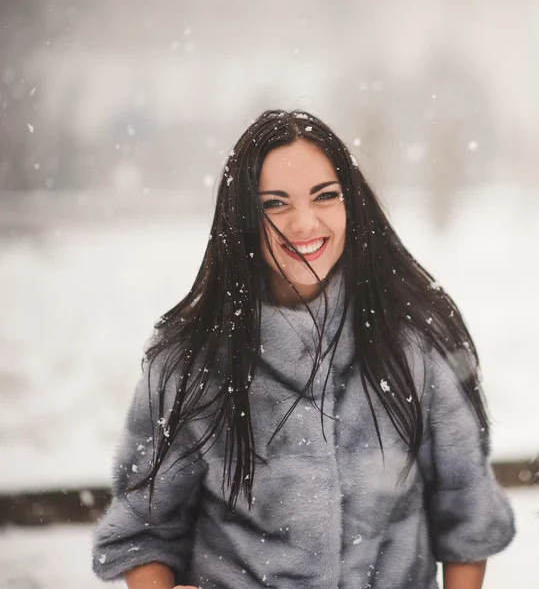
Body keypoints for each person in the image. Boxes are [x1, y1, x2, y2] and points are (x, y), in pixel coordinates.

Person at [91, 109, 515, 589]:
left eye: (325, 196)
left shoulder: (411, 340)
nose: (304, 222)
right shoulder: (191, 360)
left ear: (350, 203)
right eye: (275, 203)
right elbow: (144, 530)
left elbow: (467, 518)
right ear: (243, 217)